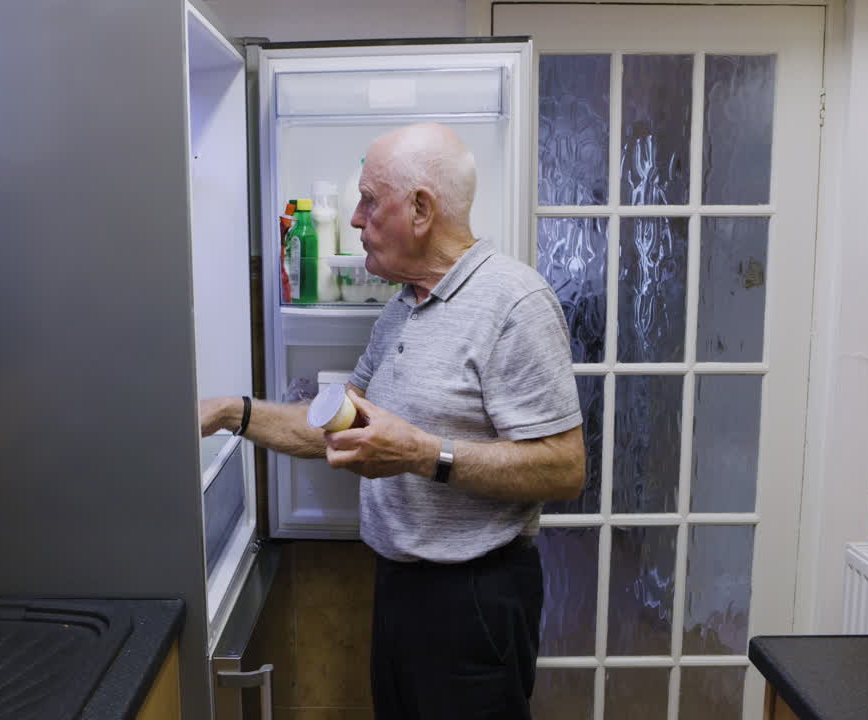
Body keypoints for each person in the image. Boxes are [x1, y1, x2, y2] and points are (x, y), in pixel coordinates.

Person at [200, 123, 585, 719]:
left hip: (475, 596)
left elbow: (563, 469)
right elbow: (333, 421)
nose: (356, 219)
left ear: (422, 208)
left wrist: (424, 455)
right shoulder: (405, 306)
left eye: (369, 200)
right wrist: (233, 412)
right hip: (400, 587)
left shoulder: (515, 303)